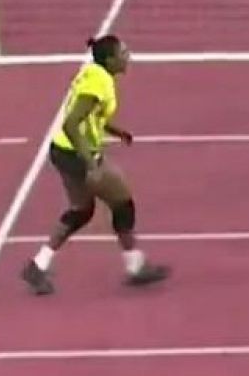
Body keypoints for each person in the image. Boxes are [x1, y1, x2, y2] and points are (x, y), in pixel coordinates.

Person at [19, 35, 170, 295]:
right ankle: (135, 267)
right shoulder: (98, 82)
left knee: (81, 211)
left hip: (62, 151)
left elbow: (90, 115)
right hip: (77, 154)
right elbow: (71, 122)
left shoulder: (94, 73)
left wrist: (114, 130)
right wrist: (91, 163)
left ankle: (37, 265)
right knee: (123, 203)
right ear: (110, 60)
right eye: (123, 53)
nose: (128, 56)